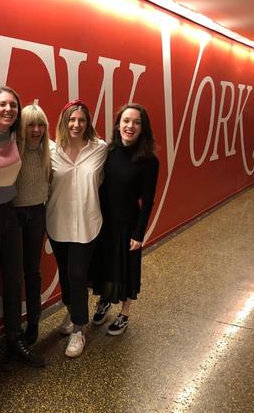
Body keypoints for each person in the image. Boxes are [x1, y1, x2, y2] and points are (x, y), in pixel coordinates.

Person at [0, 87, 45, 369]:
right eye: (2, 104)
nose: (8, 110)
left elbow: (52, 141)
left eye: (13, 106)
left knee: (15, 278)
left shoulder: (17, 138)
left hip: (10, 214)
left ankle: (14, 338)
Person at [46, 99, 107, 358]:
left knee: (78, 274)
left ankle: (78, 330)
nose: (76, 124)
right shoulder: (50, 151)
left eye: (81, 120)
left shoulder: (100, 149)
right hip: (57, 222)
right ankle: (72, 311)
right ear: (64, 122)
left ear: (88, 122)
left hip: (87, 223)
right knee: (66, 273)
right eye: (72, 119)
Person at [92, 103, 159, 335]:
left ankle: (125, 313)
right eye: (126, 121)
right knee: (105, 265)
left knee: (127, 269)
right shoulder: (108, 151)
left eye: (136, 122)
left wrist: (139, 234)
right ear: (118, 124)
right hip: (104, 222)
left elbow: (148, 201)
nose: (130, 126)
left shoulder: (149, 161)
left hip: (128, 224)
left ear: (143, 128)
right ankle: (104, 300)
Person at [14, 104, 51, 345]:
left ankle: (34, 323)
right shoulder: (12, 150)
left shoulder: (50, 152)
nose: (36, 130)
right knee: (13, 274)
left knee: (33, 272)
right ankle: (13, 328)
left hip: (37, 214)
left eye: (40, 125)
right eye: (30, 125)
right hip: (13, 215)